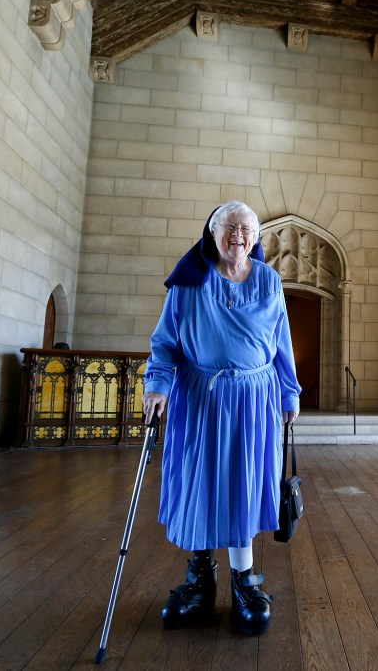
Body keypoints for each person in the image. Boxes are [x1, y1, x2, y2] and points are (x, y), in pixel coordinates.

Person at [143, 200, 301, 636]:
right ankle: (200, 579)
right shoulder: (189, 282)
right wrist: (157, 384)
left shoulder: (269, 280)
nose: (239, 236)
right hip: (200, 398)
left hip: (254, 401)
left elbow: (281, 342)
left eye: (247, 230)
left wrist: (290, 391)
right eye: (230, 228)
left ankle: (244, 582)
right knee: (200, 482)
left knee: (243, 485)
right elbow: (165, 343)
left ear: (256, 238)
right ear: (212, 233)